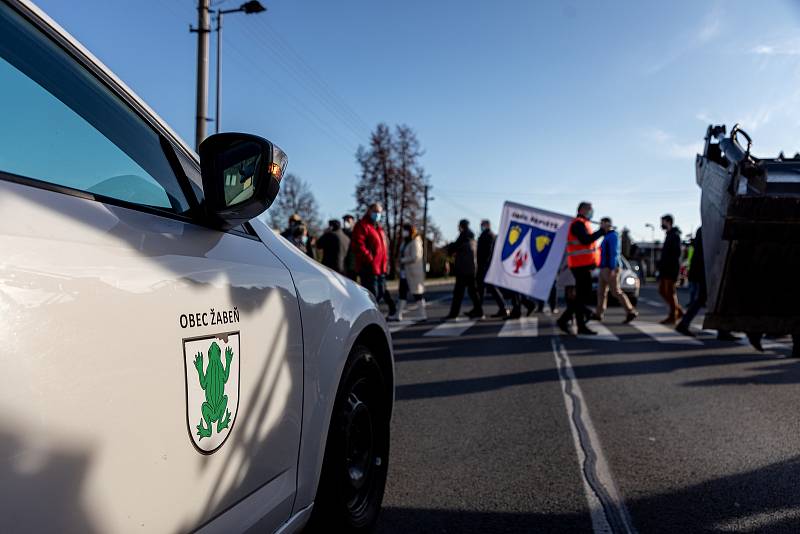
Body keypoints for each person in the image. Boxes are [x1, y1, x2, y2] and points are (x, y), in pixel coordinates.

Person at [675, 227, 739, 341]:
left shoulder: (704, 228)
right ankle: (721, 330)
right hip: (707, 270)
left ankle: (685, 324)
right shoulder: (711, 228)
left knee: (707, 298)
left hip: (703, 269)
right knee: (718, 298)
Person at [557, 201, 606, 335]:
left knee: (581, 296)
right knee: (582, 296)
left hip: (582, 265)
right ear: (583, 210)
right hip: (579, 265)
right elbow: (585, 240)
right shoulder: (578, 224)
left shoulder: (583, 223)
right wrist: (601, 231)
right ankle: (571, 320)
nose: (592, 212)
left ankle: (576, 323)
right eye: (590, 209)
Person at [352, 203, 397, 319]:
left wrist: (386, 265)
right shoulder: (362, 225)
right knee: (371, 295)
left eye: (379, 212)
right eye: (375, 211)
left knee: (380, 293)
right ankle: (366, 319)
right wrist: (369, 259)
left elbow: (384, 249)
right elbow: (358, 245)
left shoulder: (379, 228)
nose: (377, 214)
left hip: (380, 268)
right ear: (369, 211)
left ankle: (369, 317)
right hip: (369, 268)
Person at [595, 217, 638, 323]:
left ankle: (630, 311)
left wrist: (613, 269)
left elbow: (614, 253)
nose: (600, 226)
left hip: (610, 268)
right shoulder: (607, 236)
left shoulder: (613, 236)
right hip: (604, 267)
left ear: (607, 224)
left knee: (615, 291)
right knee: (601, 292)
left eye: (602, 224)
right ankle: (598, 313)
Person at [444, 219, 483, 319]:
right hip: (472, 269)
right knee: (473, 292)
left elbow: (454, 248)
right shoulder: (472, 238)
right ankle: (479, 311)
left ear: (462, 226)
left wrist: (449, 247)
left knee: (458, 294)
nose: (458, 228)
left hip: (463, 269)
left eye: (459, 226)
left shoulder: (463, 237)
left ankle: (453, 314)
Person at [476, 219, 509, 318]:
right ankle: (478, 309)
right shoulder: (487, 235)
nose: (481, 226)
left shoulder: (489, 235)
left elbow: (488, 252)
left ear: (486, 225)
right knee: (483, 288)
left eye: (482, 225)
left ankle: (503, 308)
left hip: (486, 266)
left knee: (489, 288)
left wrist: (486, 264)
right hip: (485, 265)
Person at [657, 214, 684, 324]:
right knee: (662, 291)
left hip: (671, 269)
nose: (661, 224)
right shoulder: (669, 234)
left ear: (668, 222)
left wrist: (669, 265)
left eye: (662, 221)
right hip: (665, 269)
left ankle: (673, 316)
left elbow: (676, 253)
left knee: (670, 292)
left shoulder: (674, 235)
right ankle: (679, 311)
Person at [398, 223, 426, 321]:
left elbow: (416, 257)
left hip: (413, 272)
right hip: (404, 272)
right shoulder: (404, 242)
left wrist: (403, 260)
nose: (403, 232)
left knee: (417, 293)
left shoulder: (415, 241)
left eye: (404, 230)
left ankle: (423, 314)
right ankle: (398, 314)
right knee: (402, 292)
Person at [341, 214, 358, 280]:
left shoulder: (356, 232)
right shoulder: (341, 232)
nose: (346, 222)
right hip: (343, 261)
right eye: (345, 221)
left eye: (348, 220)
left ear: (353, 222)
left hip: (353, 262)